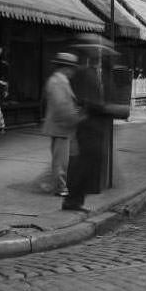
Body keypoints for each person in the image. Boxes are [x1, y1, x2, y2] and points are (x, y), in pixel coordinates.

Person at [62, 41, 109, 212]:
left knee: (88, 164)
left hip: (94, 126)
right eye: (96, 55)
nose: (99, 58)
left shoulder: (94, 73)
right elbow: (83, 99)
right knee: (83, 164)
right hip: (88, 126)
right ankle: (72, 200)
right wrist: (99, 106)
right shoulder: (84, 73)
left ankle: (76, 200)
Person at [41, 52, 81, 197]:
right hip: (61, 126)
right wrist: (74, 118)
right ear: (65, 68)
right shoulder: (58, 82)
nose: (73, 72)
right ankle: (60, 187)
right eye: (72, 68)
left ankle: (58, 185)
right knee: (61, 161)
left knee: (61, 159)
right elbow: (61, 106)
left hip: (61, 126)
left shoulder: (59, 80)